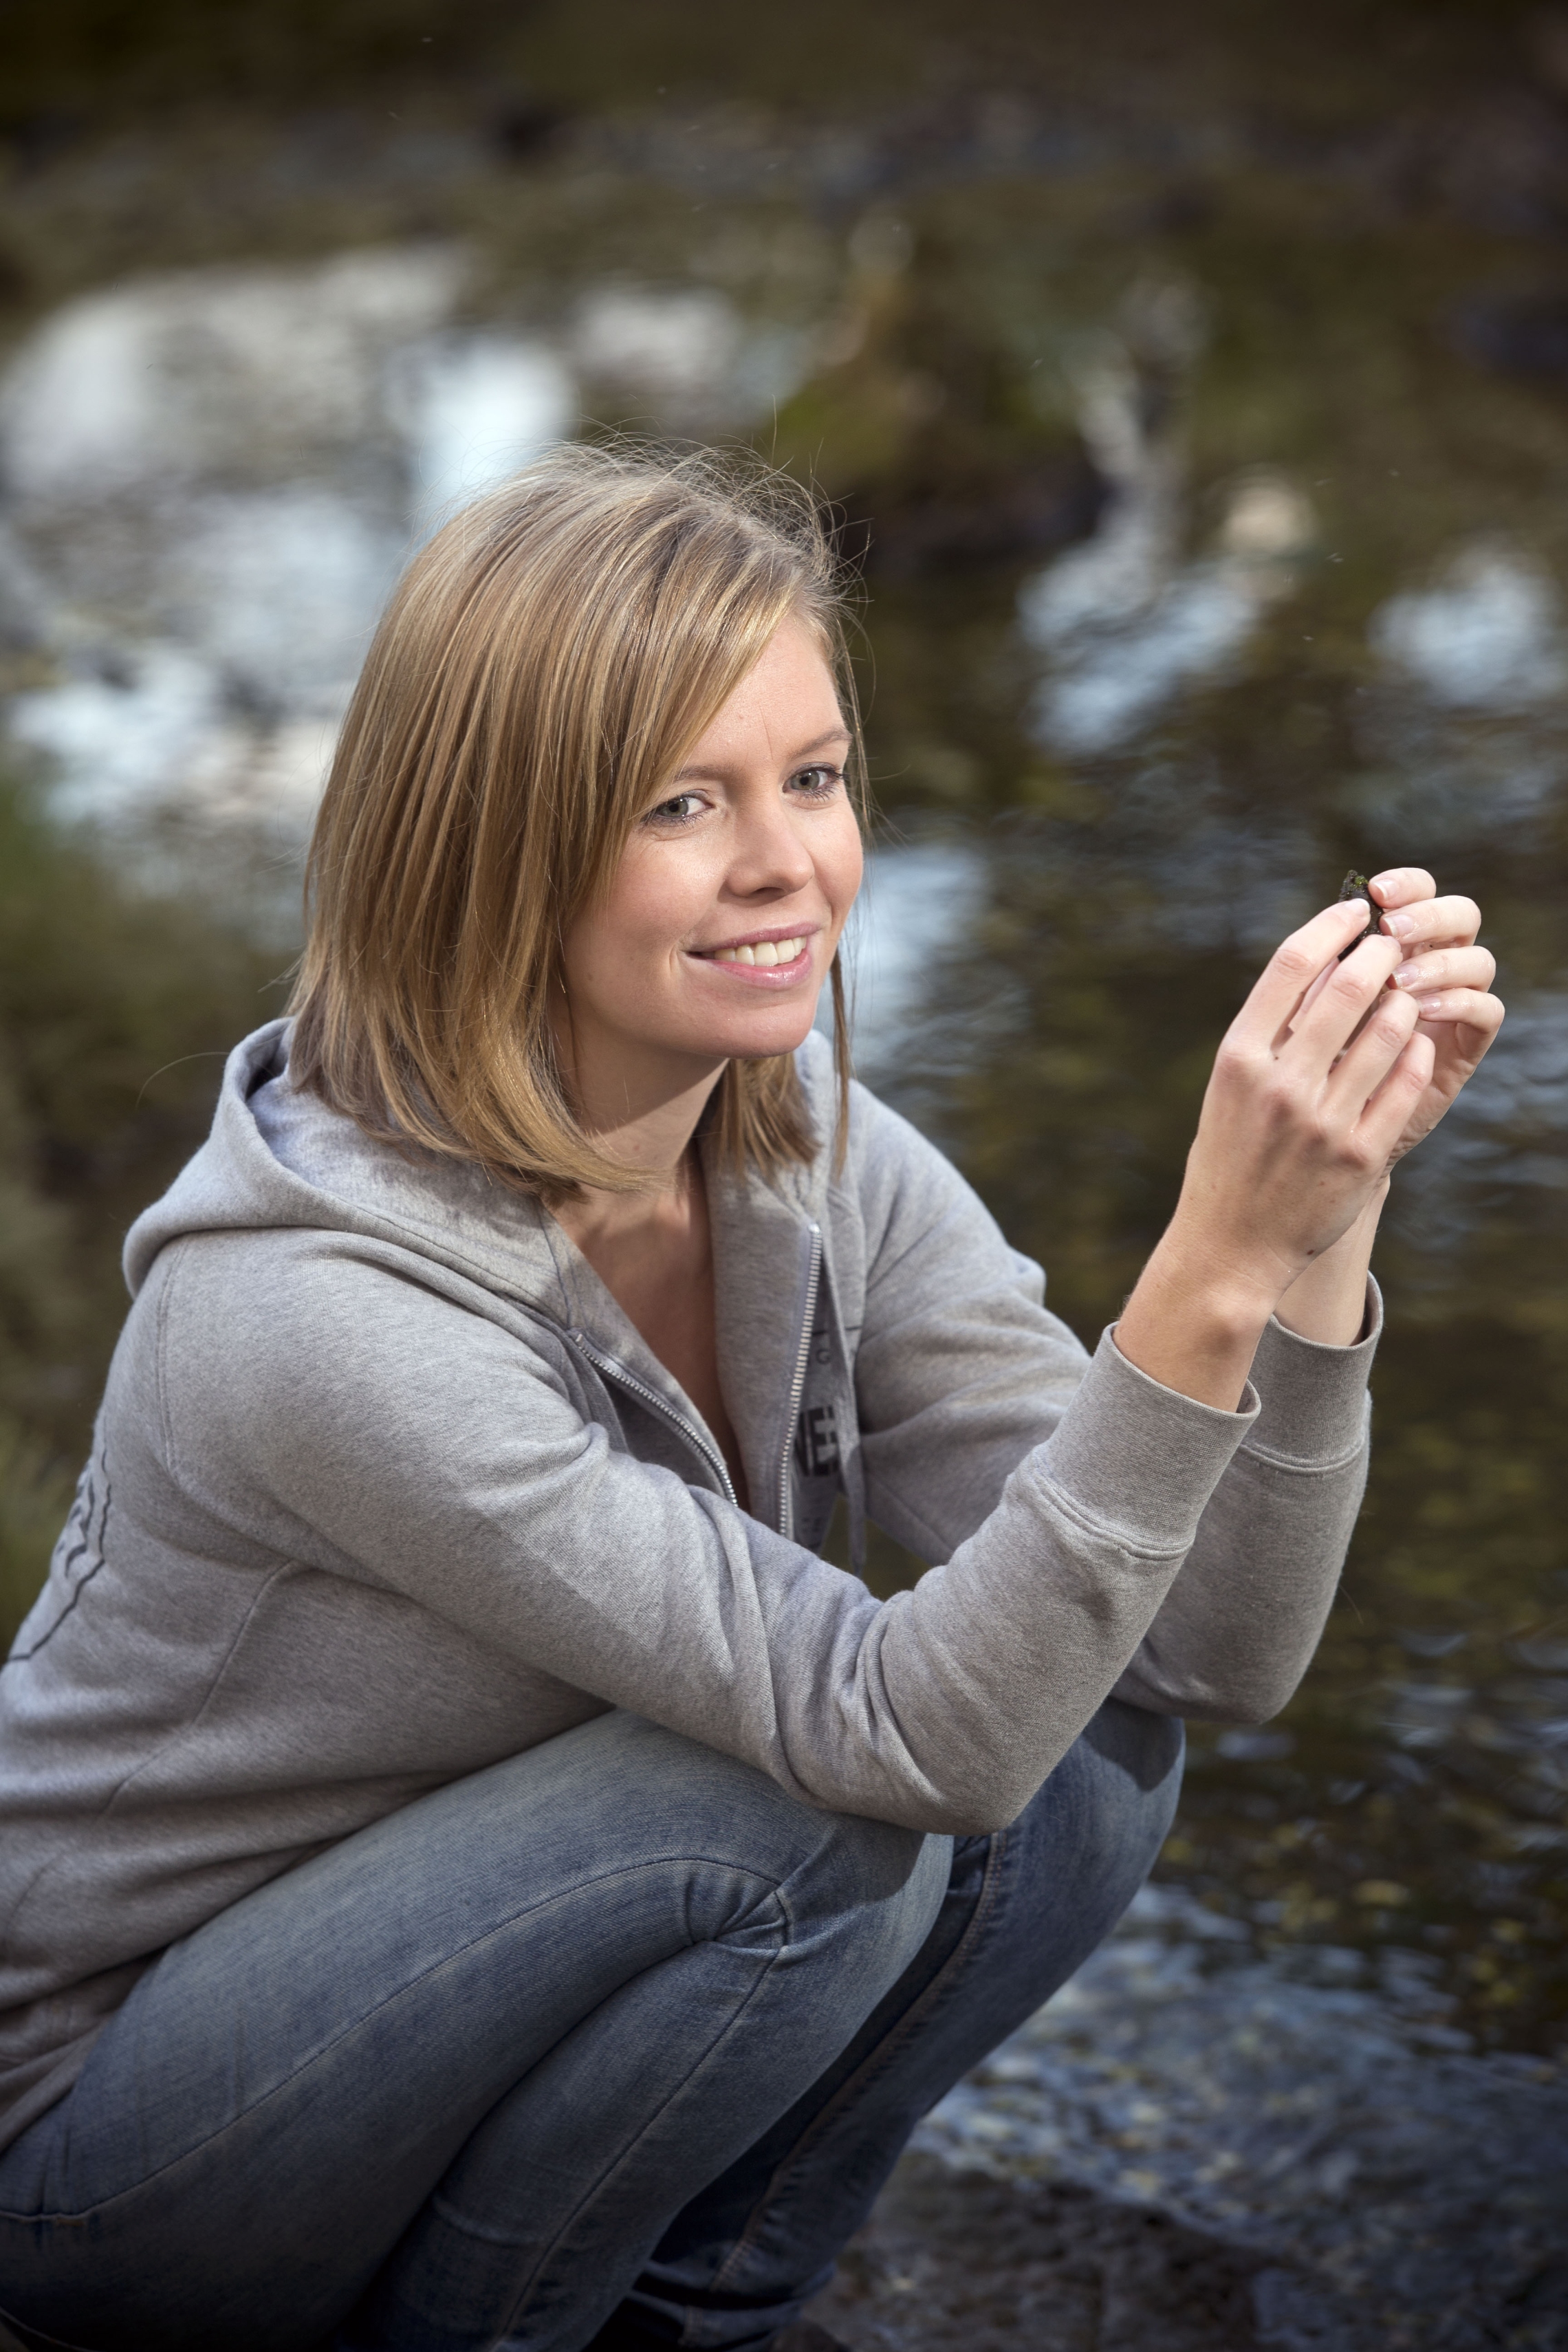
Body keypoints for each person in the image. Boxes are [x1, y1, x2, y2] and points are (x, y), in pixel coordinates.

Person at [0, 446, 1502, 2352]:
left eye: (814, 776)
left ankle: (695, 2311)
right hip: (107, 2131)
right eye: (681, 802)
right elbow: (900, 1741)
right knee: (799, 1822)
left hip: (467, 1984)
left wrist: (1321, 1226)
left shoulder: (808, 1160)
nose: (787, 860)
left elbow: (1208, 1644)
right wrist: (1208, 1260)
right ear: (489, 850)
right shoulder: (319, 1315)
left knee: (1093, 1743)